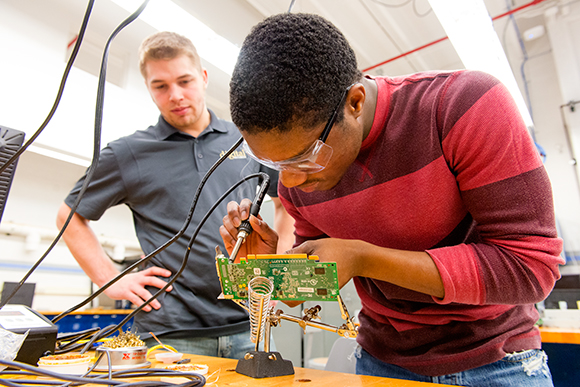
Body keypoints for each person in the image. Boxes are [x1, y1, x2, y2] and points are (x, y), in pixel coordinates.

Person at [219, 13, 564, 386]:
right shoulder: (298, 181)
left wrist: (364, 258)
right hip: (381, 364)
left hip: (496, 364)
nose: (289, 180)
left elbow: (531, 269)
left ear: (354, 102)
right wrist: (269, 269)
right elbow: (318, 282)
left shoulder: (459, 107)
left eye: (304, 158)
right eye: (274, 163)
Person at [57, 31, 293, 358]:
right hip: (171, 331)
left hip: (249, 323)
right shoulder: (128, 153)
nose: (176, 95)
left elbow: (287, 204)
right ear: (149, 89)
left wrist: (273, 266)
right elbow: (69, 218)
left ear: (204, 77)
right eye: (161, 86)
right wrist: (110, 280)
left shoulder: (247, 139)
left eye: (185, 81)